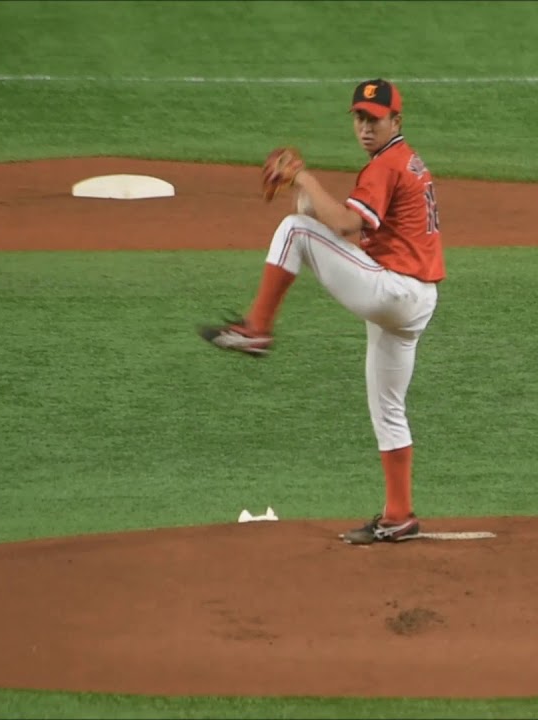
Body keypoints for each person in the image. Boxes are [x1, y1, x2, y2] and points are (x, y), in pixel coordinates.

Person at [198, 78, 445, 545]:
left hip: (393, 291)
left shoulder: (387, 165)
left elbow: (348, 224)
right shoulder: (405, 162)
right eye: (359, 118)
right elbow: (355, 229)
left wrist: (305, 179)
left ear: (396, 120)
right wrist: (309, 199)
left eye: (375, 119)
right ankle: (399, 515)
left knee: (293, 231)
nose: (365, 127)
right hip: (414, 300)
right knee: (388, 408)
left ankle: (257, 328)